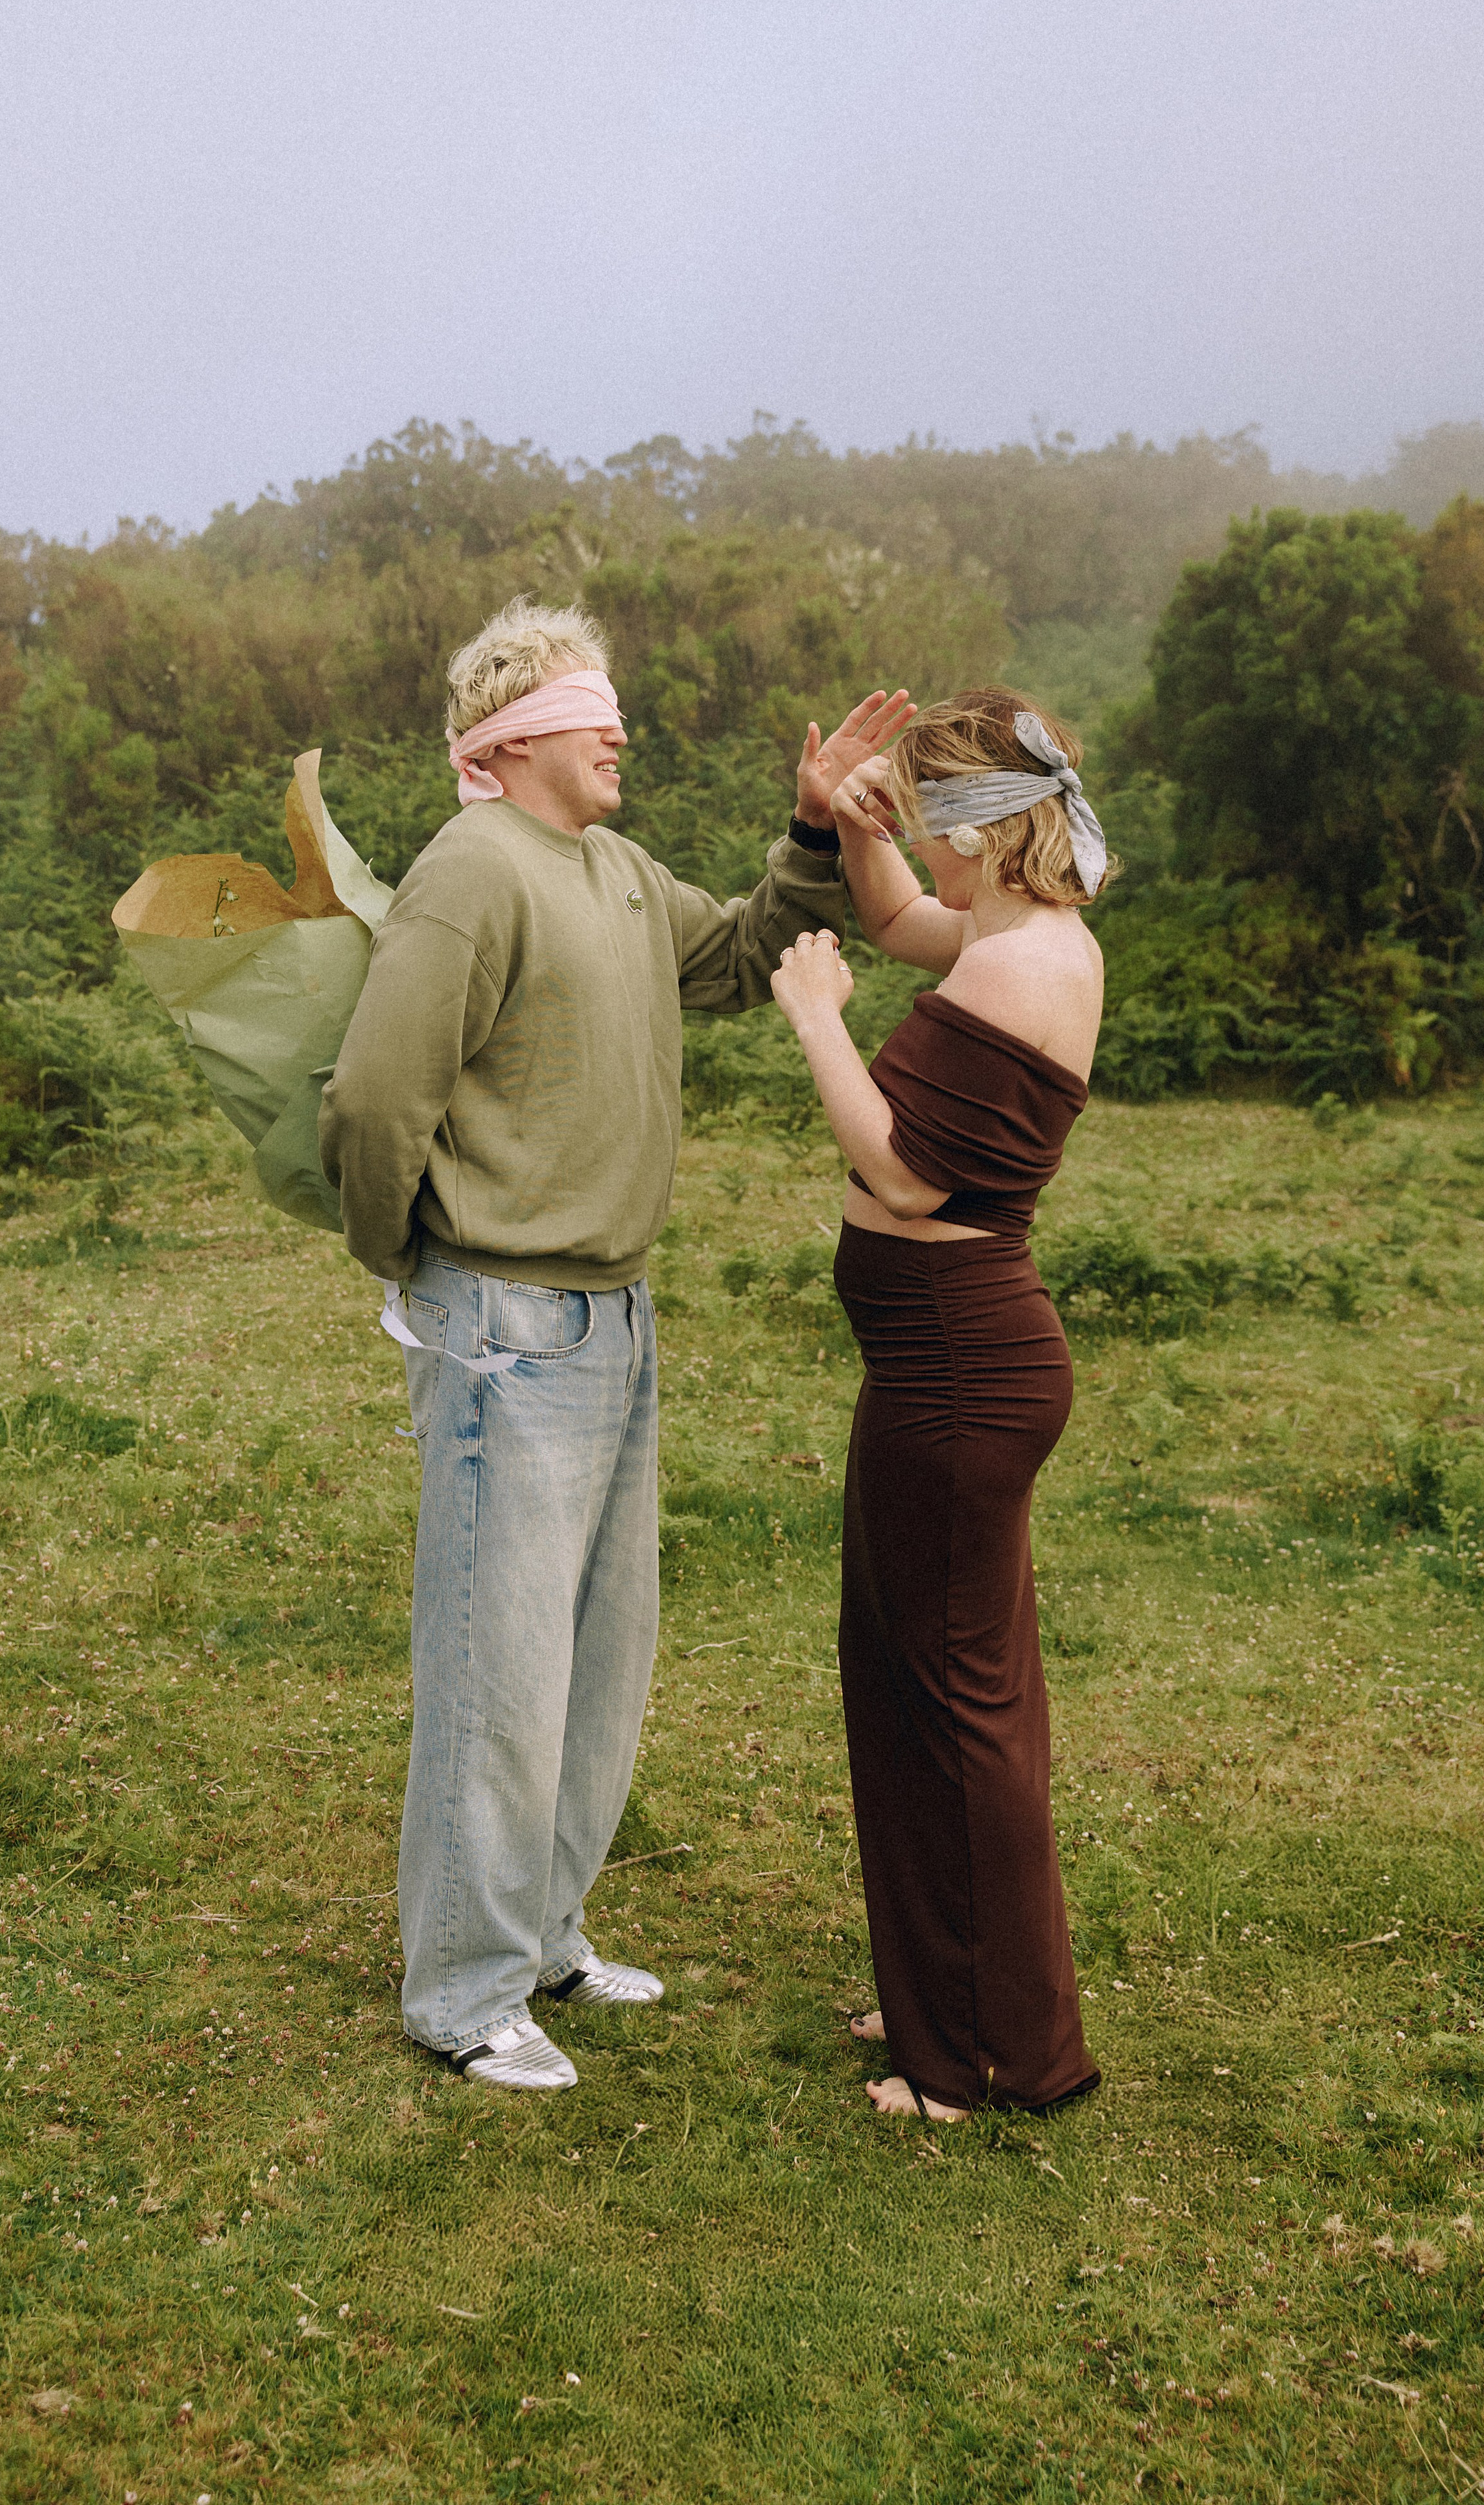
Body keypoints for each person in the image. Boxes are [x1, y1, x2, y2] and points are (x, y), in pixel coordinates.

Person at [319, 595, 911, 2091]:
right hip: (504, 1323)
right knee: (496, 1664)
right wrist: (409, 1264)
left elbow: (735, 961)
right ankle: (461, 1991)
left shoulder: (615, 870)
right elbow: (375, 1098)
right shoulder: (473, 870)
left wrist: (808, 833)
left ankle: (542, 1935)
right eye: (595, 713)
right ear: (515, 738)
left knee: (593, 1655)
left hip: (619, 1312)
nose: (619, 731)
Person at [769, 687, 1114, 2119]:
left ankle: (981, 2058)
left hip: (957, 1366)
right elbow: (908, 920)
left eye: (922, 809)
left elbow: (906, 1171)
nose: (911, 833)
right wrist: (846, 831)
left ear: (982, 826)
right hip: (933, 1357)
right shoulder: (1010, 935)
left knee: (958, 1708)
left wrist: (813, 1020)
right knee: (912, 1689)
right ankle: (944, 1995)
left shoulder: (1033, 965)